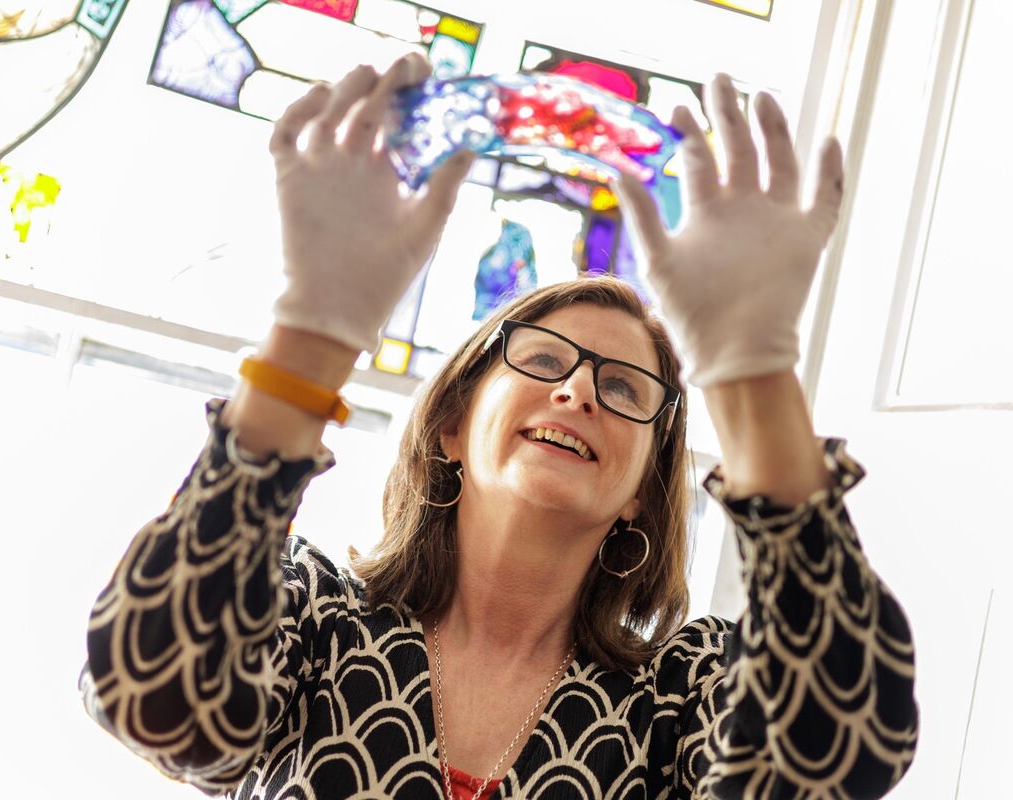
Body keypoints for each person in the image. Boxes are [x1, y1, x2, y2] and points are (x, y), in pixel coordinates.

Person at [80, 52, 918, 799]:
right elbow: (152, 697)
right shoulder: (311, 622)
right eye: (544, 363)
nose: (578, 394)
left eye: (625, 387)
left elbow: (839, 755)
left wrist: (751, 368)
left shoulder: (681, 693)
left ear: (639, 491)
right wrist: (313, 330)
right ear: (451, 426)